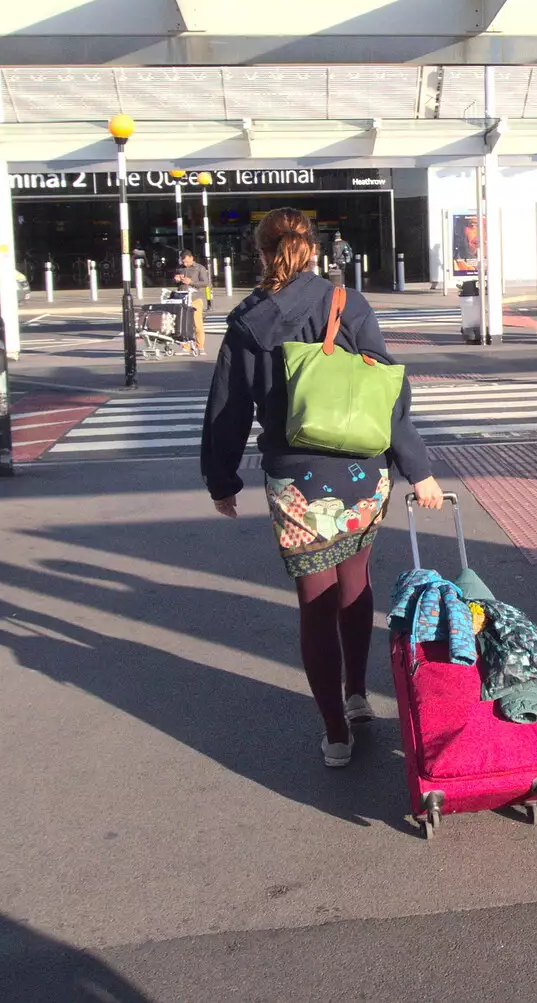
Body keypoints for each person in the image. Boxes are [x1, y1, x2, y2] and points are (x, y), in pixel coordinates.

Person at [201, 209, 445, 770]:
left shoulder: (246, 322)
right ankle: (358, 694)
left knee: (315, 603)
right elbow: (389, 394)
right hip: (361, 469)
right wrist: (418, 467)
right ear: (314, 251)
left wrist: (222, 479)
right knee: (355, 584)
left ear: (262, 253)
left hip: (296, 476)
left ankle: (336, 732)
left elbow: (227, 411)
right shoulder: (347, 303)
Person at [172, 249, 211, 353]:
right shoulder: (180, 268)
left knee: (197, 324)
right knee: (183, 323)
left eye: (187, 261)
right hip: (182, 298)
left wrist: (192, 282)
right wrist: (176, 279)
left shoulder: (199, 268)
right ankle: (186, 346)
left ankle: (200, 347)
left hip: (195, 298)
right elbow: (176, 281)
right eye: (183, 262)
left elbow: (205, 283)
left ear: (192, 258)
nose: (185, 264)